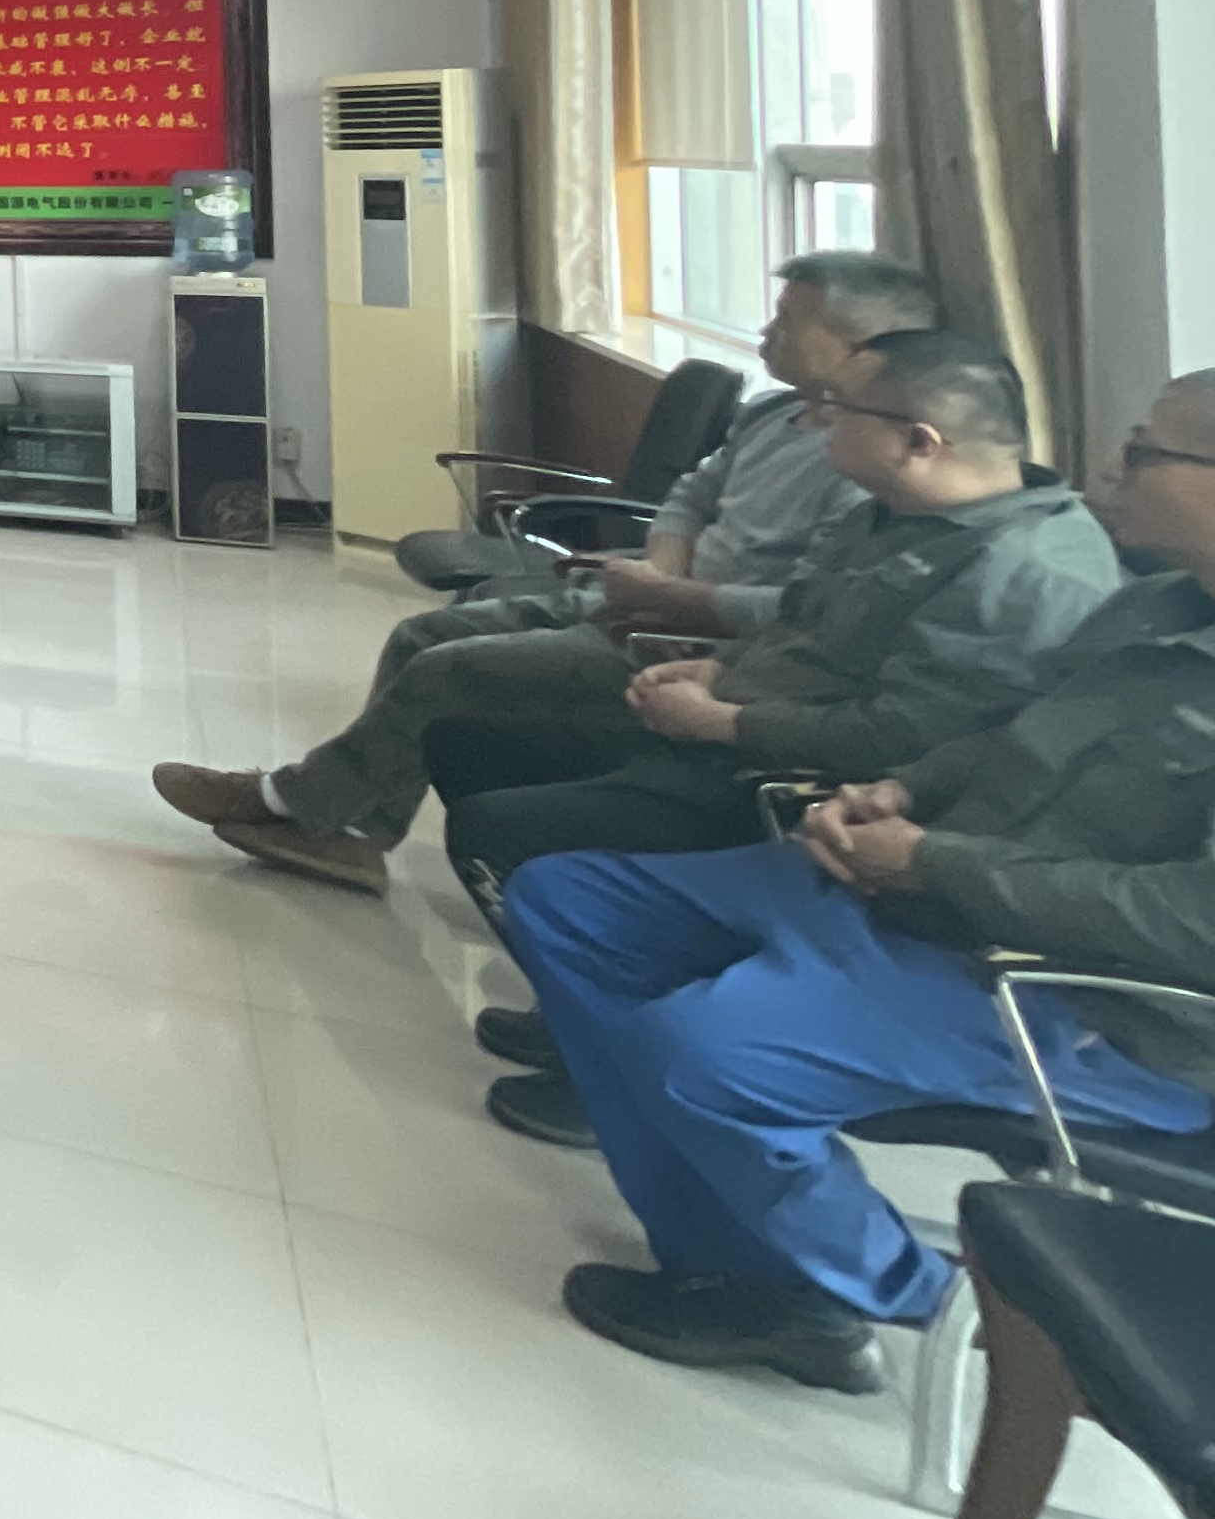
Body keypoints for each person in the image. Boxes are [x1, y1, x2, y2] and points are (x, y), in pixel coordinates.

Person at [496, 369, 1215, 1394]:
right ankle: (746, 1262)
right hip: (921, 897)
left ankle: (959, 1309)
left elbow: (1194, 920)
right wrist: (902, 789)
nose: (1112, 467)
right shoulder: (1153, 604)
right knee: (571, 904)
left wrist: (932, 858)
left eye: (1144, 451)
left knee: (704, 1056)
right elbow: (1006, 730)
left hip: (1084, 1002)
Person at [182, 330, 1121, 900]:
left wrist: (718, 704)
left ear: (919, 439)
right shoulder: (887, 505)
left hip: (777, 770)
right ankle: (340, 827)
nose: (824, 422)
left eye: (843, 410)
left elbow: (903, 733)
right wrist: (705, 656)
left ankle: (324, 819)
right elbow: (795, 611)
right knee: (453, 702)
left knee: (453, 684)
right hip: (708, 673)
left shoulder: (1018, 569)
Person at [151, 250, 931, 883]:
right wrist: (659, 576)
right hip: (650, 596)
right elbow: (691, 497)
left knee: (448, 671)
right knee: (422, 636)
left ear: (862, 345)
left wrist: (677, 600)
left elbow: (803, 609)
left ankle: (293, 803)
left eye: (788, 322)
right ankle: (353, 830)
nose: (766, 332)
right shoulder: (774, 411)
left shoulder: (867, 467)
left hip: (706, 646)